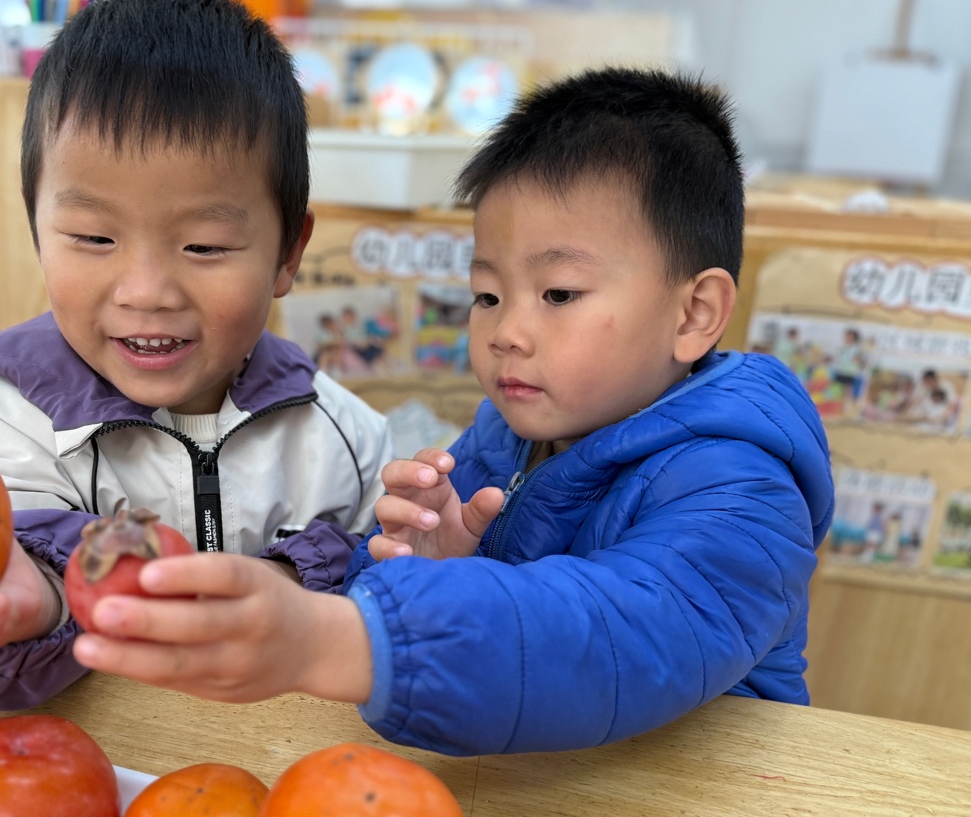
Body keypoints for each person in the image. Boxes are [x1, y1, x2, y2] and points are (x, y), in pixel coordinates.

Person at [69, 67, 835, 756]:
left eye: (558, 293)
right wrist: (422, 563)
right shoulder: (506, 437)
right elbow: (419, 599)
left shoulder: (745, 491)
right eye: (487, 294)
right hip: (548, 803)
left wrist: (337, 639)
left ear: (694, 314)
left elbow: (610, 638)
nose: (506, 331)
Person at [0, 0, 391, 709]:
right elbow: (0, 614)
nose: (146, 291)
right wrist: (29, 605)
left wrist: (312, 580)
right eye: (92, 237)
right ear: (36, 230)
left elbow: (395, 601)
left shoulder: (347, 440)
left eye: (205, 245)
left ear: (287, 254)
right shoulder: (4, 428)